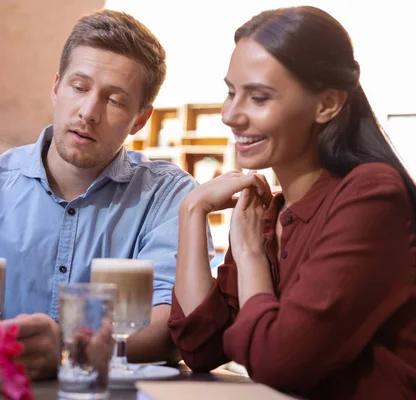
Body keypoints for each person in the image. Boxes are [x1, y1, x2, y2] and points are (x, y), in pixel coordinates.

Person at [0, 9, 212, 379]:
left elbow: (170, 327)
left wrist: (64, 346)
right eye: (79, 87)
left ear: (140, 119)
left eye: (114, 100)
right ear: (56, 87)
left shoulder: (169, 196)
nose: (88, 112)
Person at [169, 6, 416, 400]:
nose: (230, 115)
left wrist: (249, 256)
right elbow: (200, 347)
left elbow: (277, 363)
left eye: (259, 97)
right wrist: (191, 211)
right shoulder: (268, 213)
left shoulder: (371, 195)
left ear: (328, 104)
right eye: (231, 92)